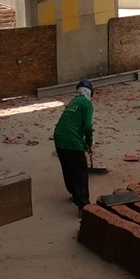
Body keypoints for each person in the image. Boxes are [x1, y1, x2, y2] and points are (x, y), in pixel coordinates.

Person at [53, 78, 95, 211]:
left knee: (68, 168)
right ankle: (83, 205)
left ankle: (74, 193)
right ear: (90, 93)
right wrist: (89, 143)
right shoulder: (87, 104)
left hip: (59, 137)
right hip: (71, 139)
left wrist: (84, 144)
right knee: (80, 172)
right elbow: (88, 127)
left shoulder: (72, 102)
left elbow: (73, 126)